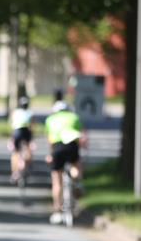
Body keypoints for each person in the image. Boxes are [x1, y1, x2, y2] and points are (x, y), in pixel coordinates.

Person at [43, 90, 86, 224]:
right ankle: (77, 180)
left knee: (57, 180)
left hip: (57, 148)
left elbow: (50, 139)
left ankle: (57, 211)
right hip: (72, 145)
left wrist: (50, 155)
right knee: (75, 164)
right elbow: (82, 137)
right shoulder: (74, 117)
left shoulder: (50, 119)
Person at [8, 96, 35, 184]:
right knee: (27, 149)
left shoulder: (15, 112)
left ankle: (14, 173)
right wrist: (32, 139)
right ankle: (27, 166)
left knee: (15, 153)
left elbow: (13, 125)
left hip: (16, 132)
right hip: (26, 132)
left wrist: (11, 139)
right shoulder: (30, 112)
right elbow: (32, 126)